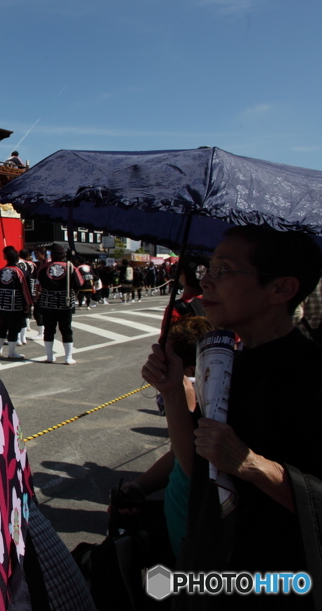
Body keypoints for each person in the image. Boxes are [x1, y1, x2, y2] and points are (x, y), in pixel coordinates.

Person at [141, 225, 322, 610]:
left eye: (224, 270)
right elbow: (198, 472)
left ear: (281, 289)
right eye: (209, 267)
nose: (205, 280)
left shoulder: (311, 375)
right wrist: (174, 393)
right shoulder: (228, 366)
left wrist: (254, 465)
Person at [115, 316, 215, 563]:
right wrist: (142, 485)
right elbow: (178, 454)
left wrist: (173, 394)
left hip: (199, 549)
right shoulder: (200, 386)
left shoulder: (195, 393)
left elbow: (195, 466)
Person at [36, 243, 84, 364]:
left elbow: (39, 282)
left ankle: (49, 356)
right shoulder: (70, 266)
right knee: (66, 329)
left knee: (49, 329)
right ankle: (68, 357)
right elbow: (79, 283)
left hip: (47, 302)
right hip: (65, 302)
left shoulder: (43, 267)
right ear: (63, 255)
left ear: (51, 255)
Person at [0, 246, 32, 359]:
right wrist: (28, 303)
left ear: (6, 258)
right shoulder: (20, 272)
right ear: (17, 259)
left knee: (2, 326)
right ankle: (11, 353)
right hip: (15, 305)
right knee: (13, 328)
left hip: (2, 304)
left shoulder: (0, 271)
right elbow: (25, 289)